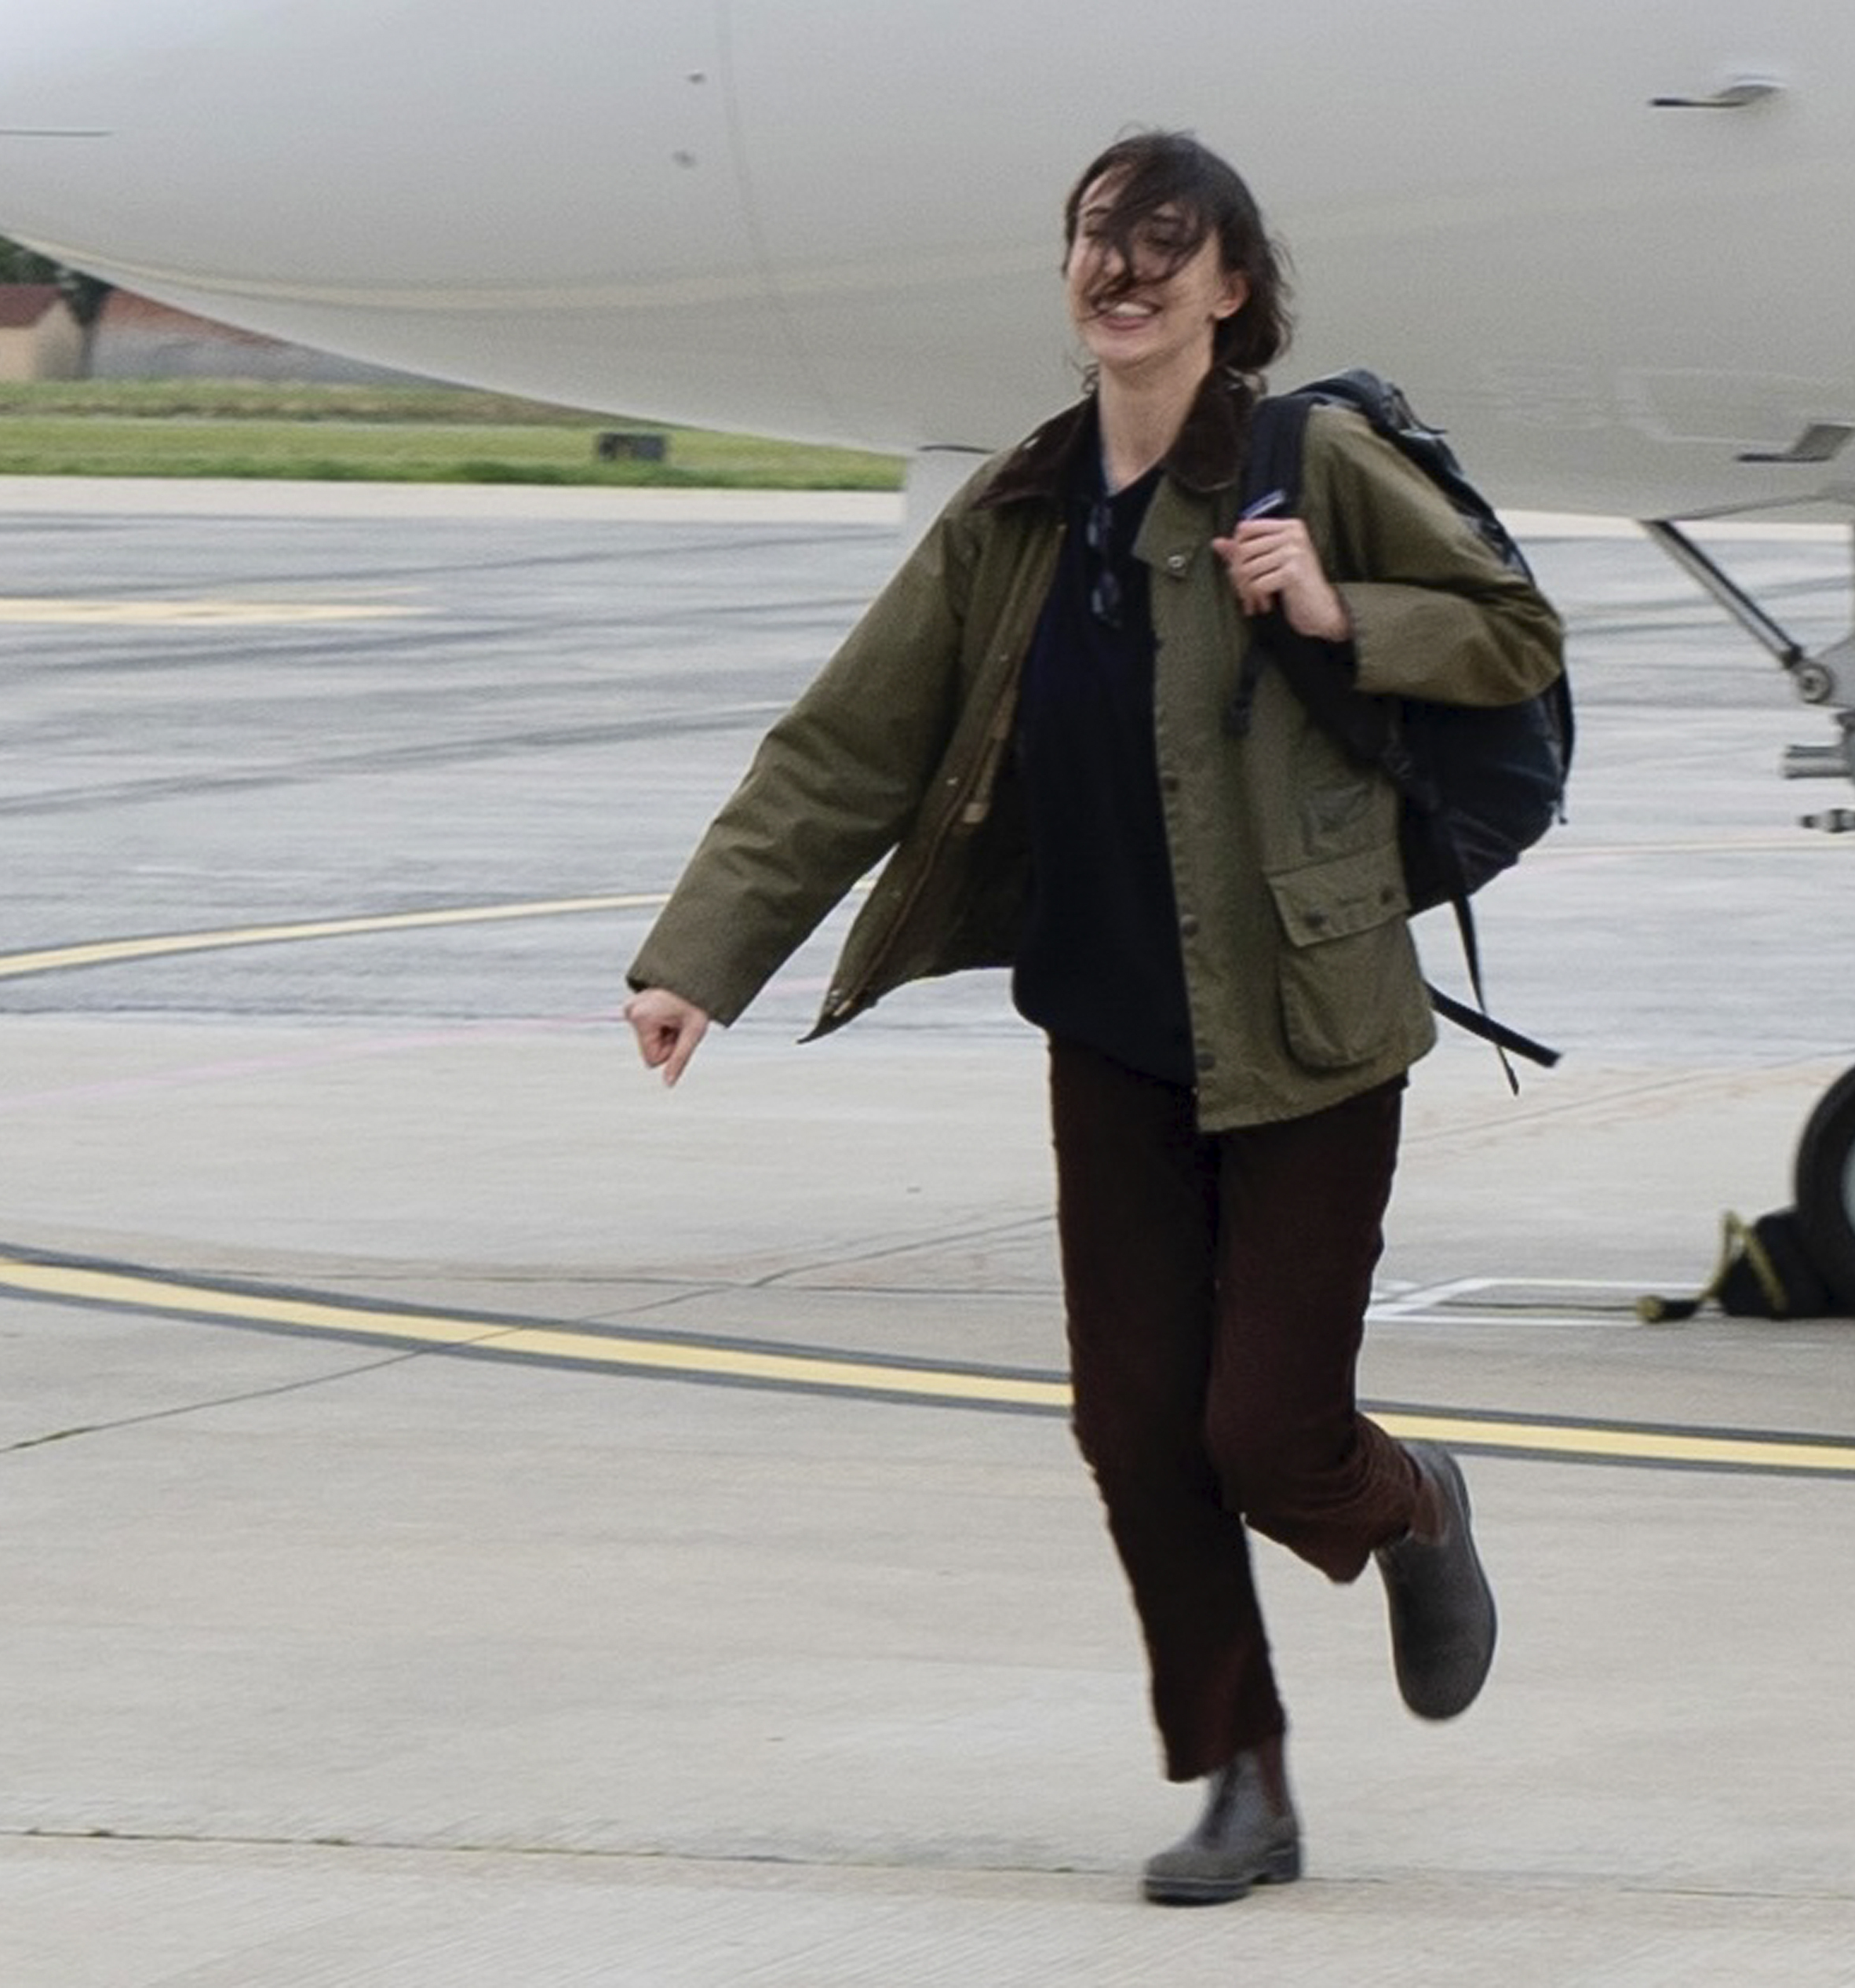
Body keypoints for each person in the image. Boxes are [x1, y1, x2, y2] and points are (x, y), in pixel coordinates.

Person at [621, 129, 1564, 1906]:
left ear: (1229, 287)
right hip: (1113, 1031)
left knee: (1264, 1431)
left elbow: (1513, 628)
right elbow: (852, 743)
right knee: (1133, 1426)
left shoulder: (1317, 458)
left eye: (1164, 243)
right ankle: (1242, 1781)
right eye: (1093, 239)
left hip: (1307, 1024)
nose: (1120, 268)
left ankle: (1414, 1507)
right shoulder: (1019, 512)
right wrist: (700, 957)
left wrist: (1343, 606)